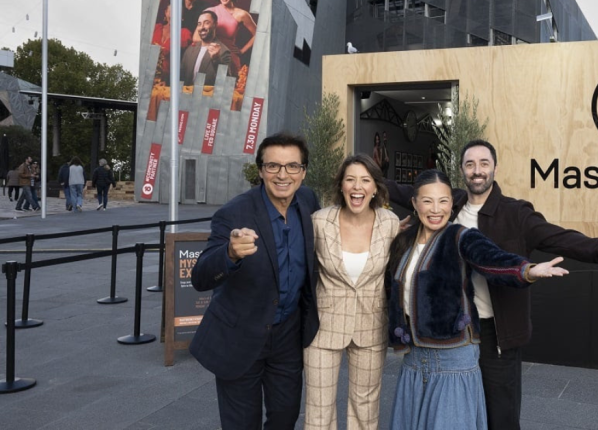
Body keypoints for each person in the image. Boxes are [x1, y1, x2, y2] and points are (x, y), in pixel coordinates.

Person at [387, 139, 598, 429]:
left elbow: (557, 237)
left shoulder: (515, 213)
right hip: (458, 333)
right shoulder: (448, 203)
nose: (477, 170)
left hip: (497, 331)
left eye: (484, 163)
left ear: (495, 167)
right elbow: (407, 191)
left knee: (500, 416)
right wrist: (366, 182)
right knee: (460, 413)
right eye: (470, 164)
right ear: (462, 170)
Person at [385, 169, 569, 430]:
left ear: (452, 203)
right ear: (414, 203)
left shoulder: (461, 236)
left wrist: (526, 270)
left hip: (453, 362)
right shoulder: (403, 240)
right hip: (414, 361)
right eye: (427, 201)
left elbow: (493, 260)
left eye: (444, 200)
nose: (436, 209)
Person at [190, 132, 321, 429]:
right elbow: (200, 276)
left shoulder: (309, 201)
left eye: (292, 167)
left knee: (285, 417)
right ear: (261, 170)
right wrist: (230, 253)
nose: (282, 175)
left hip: (288, 335)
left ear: (303, 172)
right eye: (273, 166)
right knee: (242, 424)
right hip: (240, 335)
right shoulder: (234, 212)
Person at [304, 154, 399, 430]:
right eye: (350, 180)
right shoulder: (319, 221)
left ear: (375, 188)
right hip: (323, 326)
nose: (357, 187)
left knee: (365, 407)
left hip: (371, 325)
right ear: (341, 186)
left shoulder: (390, 223)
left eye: (365, 180)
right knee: (318, 408)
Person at [202, 0, 257, 70]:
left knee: (227, 83)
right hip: (209, 56)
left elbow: (259, 34)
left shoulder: (241, 14)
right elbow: (196, 37)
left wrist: (242, 51)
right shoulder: (209, 11)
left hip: (230, 58)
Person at [181, 10, 235, 89]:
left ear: (215, 25)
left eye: (206, 23)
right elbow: (181, 75)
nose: (202, 27)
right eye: (199, 24)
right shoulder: (191, 49)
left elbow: (226, 83)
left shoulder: (223, 51)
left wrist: (216, 59)